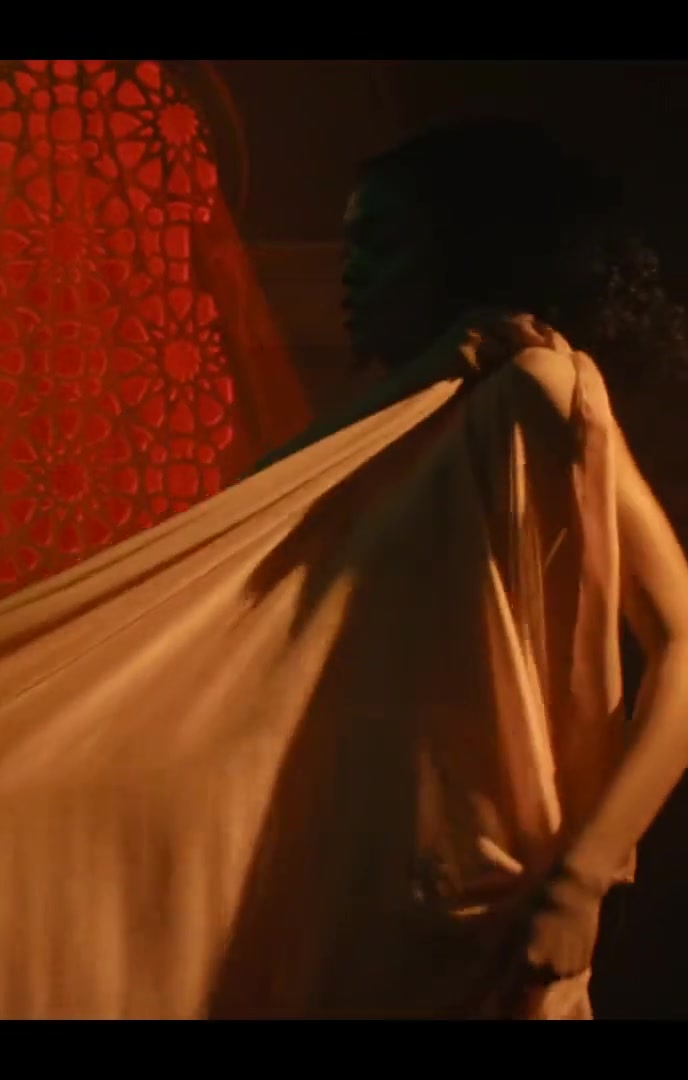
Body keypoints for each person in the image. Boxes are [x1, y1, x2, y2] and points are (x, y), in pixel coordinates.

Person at [258, 118, 688, 1018]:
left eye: (381, 243)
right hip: (357, 901)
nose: (349, 273)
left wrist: (580, 884)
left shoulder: (536, 387)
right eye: (348, 245)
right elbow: (243, 526)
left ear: (459, 252)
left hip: (489, 914)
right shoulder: (408, 418)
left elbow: (685, 639)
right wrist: (418, 378)